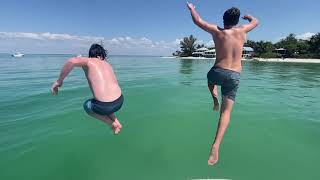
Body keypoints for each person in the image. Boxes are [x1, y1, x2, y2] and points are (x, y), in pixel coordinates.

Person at [187, 2, 259, 165]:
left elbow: (198, 21)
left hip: (217, 71)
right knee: (226, 113)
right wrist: (249, 17)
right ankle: (216, 145)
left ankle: (214, 98)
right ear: (236, 21)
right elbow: (256, 22)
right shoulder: (242, 30)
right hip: (234, 75)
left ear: (223, 19)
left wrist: (192, 9)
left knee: (210, 80)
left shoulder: (217, 31)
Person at [51, 44, 124, 134]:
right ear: (101, 56)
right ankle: (116, 121)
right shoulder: (107, 64)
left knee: (87, 105)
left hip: (104, 106)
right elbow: (88, 69)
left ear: (91, 55)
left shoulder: (89, 61)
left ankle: (111, 123)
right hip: (120, 101)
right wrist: (81, 60)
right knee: (104, 101)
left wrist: (59, 81)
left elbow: (71, 61)